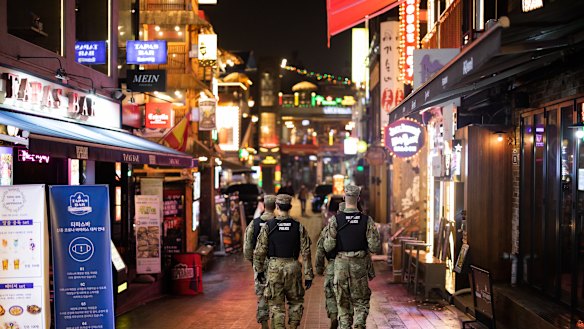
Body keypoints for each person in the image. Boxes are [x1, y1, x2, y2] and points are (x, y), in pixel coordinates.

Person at [323, 185, 381, 329]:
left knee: (343, 303)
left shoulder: (335, 221)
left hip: (341, 266)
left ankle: (344, 326)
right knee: (361, 301)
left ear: (344, 198)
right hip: (359, 266)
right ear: (359, 199)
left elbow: (328, 246)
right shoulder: (367, 220)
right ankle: (359, 324)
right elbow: (375, 247)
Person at [254, 194, 314, 329]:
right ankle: (293, 326)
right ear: (290, 207)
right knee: (295, 302)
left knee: (276, 305)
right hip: (293, 267)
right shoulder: (298, 227)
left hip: (274, 268)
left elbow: (259, 251)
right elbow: (306, 252)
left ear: (277, 206)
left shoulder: (268, 226)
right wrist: (309, 275)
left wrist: (259, 271)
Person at [243, 195, 277, 329]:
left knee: (262, 296)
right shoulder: (280, 223)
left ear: (264, 205)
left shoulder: (255, 223)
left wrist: (254, 263)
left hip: (260, 264)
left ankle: (264, 324)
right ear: (275, 206)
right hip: (276, 265)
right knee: (276, 296)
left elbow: (247, 249)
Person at [314, 202, 346, 329]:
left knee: (330, 294)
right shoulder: (355, 228)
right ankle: (344, 320)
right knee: (346, 295)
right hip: (349, 266)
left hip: (332, 266)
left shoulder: (328, 228)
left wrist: (319, 268)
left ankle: (333, 316)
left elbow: (320, 249)